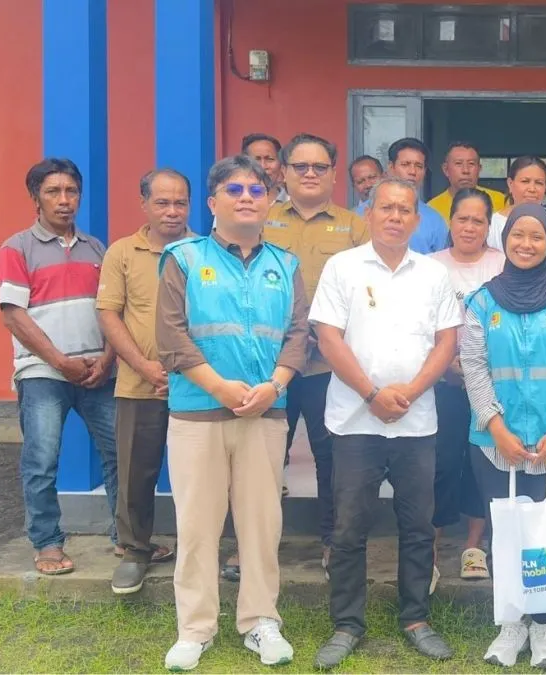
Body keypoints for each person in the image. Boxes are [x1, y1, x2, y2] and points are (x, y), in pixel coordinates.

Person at [157, 155, 310, 671]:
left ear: (270, 201)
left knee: (261, 524)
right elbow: (171, 337)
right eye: (235, 188)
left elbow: (297, 335)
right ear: (213, 201)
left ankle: (260, 621)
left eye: (257, 189)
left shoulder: (285, 266)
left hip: (265, 414)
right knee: (197, 525)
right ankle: (194, 628)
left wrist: (275, 386)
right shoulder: (182, 258)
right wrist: (220, 387)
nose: (247, 196)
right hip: (198, 414)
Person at [309, 177, 460, 669]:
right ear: (369, 213)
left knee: (418, 525)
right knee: (350, 527)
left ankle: (416, 617)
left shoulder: (435, 276)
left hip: (417, 423)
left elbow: (446, 343)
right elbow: (328, 338)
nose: (395, 217)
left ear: (418, 220)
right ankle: (347, 623)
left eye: (404, 210)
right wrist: (372, 394)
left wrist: (410, 393)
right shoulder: (342, 267)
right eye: (386, 208)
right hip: (355, 421)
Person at [460, 204, 546, 670]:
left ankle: (545, 625)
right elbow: (474, 368)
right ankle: (511, 622)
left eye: (537, 236)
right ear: (506, 239)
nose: (526, 244)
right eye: (518, 235)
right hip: (496, 440)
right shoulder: (481, 300)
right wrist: (496, 428)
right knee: (507, 531)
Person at [0, 158, 118, 576]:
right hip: (44, 372)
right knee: (42, 459)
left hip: (98, 372)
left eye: (71, 191)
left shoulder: (96, 248)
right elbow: (14, 316)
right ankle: (47, 543)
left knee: (120, 452)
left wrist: (107, 357)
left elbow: (111, 310)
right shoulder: (17, 248)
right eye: (53, 192)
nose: (64, 200)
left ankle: (128, 538)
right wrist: (60, 362)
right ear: (36, 198)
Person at [262, 132, 369, 581]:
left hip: (330, 367)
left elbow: (368, 294)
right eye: (300, 166)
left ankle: (332, 539)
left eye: (319, 167)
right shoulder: (261, 220)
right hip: (270, 367)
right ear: (283, 172)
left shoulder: (354, 227)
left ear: (332, 174)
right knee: (265, 457)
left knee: (333, 458)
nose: (309, 174)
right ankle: (256, 543)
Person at [98, 169, 192, 594]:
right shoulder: (122, 252)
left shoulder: (203, 251)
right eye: (163, 202)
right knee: (137, 471)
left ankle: (199, 550)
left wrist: (186, 370)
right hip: (139, 385)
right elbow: (108, 315)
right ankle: (135, 551)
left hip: (196, 385)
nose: (172, 212)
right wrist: (145, 366)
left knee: (202, 474)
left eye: (180, 203)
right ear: (144, 204)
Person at [428, 188, 505, 585]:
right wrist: (447, 364)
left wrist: (475, 367)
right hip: (440, 383)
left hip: (491, 387)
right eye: (463, 219)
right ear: (451, 222)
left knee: (482, 463)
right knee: (439, 464)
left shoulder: (503, 265)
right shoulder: (429, 266)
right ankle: (432, 545)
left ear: (489, 226)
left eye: (478, 220)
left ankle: (474, 546)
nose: (470, 226)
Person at [354, 137, 449, 254]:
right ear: (391, 167)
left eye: (419, 166)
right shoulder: (359, 215)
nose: (412, 172)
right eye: (405, 164)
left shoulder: (435, 220)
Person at [484, 156, 546, 250]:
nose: (532, 189)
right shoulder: (491, 224)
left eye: (539, 183)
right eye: (525, 181)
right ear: (510, 184)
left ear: (545, 187)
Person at [427, 141, 508, 220]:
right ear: (446, 170)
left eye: (471, 163)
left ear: (479, 169)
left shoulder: (500, 201)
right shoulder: (432, 209)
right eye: (458, 163)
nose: (465, 170)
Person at [242, 133, 289, 205]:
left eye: (270, 159)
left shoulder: (294, 202)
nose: (263, 166)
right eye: (256, 160)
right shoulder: (235, 202)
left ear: (281, 164)